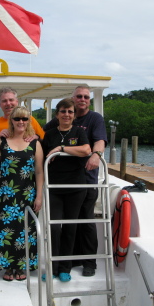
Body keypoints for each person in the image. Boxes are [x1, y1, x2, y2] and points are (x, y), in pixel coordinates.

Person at [43, 86, 107, 277]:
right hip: (56, 185)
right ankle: (59, 265)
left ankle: (86, 263)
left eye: (86, 97)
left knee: (83, 223)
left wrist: (95, 155)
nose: (82, 99)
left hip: (84, 182)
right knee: (56, 227)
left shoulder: (92, 121)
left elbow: (94, 144)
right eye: (78, 96)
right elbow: (39, 139)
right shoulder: (52, 128)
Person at [0, 106, 44, 281]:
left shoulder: (35, 143)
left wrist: (39, 196)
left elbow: (39, 172)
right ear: (11, 120)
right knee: (5, 231)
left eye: (25, 119)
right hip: (4, 195)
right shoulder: (1, 142)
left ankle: (21, 267)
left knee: (24, 232)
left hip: (27, 196)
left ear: (29, 121)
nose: (21, 122)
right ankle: (8, 267)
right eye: (17, 118)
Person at [42, 98, 91, 282]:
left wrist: (61, 148)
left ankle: (65, 268)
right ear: (57, 114)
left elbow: (86, 150)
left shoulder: (79, 132)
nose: (67, 115)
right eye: (63, 111)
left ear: (74, 115)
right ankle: (52, 267)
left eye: (70, 112)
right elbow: (41, 156)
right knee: (54, 229)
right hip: (54, 188)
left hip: (75, 188)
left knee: (70, 228)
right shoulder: (49, 134)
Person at [0, 87, 45, 161]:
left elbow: (45, 144)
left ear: (17, 102)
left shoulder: (30, 120)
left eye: (11, 100)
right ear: (0, 104)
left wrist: (37, 137)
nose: (8, 103)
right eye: (4, 101)